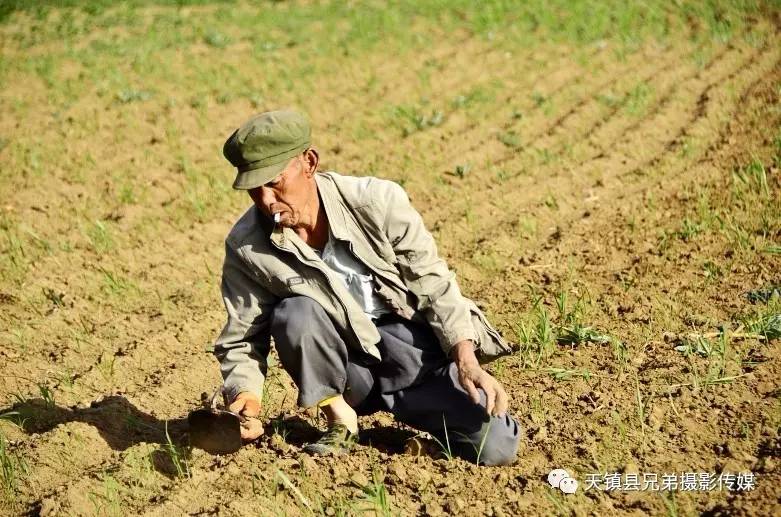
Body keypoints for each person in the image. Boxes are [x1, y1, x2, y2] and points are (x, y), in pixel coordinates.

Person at [213, 109, 520, 465]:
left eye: (276, 182)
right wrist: (246, 397)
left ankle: (428, 417)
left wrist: (465, 359)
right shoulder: (247, 246)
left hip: (413, 356)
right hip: (348, 372)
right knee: (295, 312)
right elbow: (243, 335)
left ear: (309, 162)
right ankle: (341, 419)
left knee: (497, 446)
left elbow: (432, 281)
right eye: (254, 189)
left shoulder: (376, 201)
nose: (266, 200)